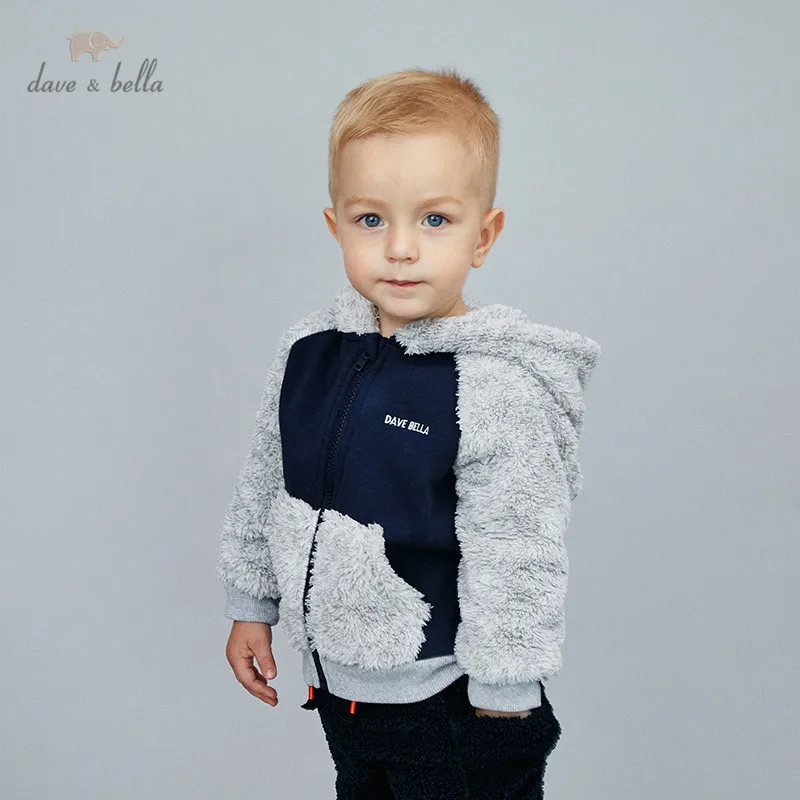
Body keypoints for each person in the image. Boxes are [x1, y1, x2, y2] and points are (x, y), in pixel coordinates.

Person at [217, 66, 601, 799]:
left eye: (434, 220)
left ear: (484, 235)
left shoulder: (493, 386)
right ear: (335, 225)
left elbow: (518, 547)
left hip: (453, 702)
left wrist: (505, 695)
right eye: (371, 220)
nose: (400, 248)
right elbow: (265, 481)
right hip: (343, 693)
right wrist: (251, 607)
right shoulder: (309, 352)